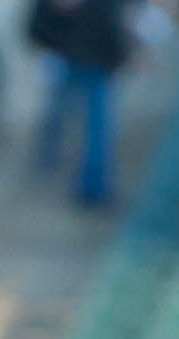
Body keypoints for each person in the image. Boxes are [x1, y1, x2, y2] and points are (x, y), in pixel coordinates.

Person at [27, 0, 129, 209]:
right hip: (86, 60)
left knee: (77, 123)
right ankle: (88, 188)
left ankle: (71, 180)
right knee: (94, 128)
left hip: (77, 58)